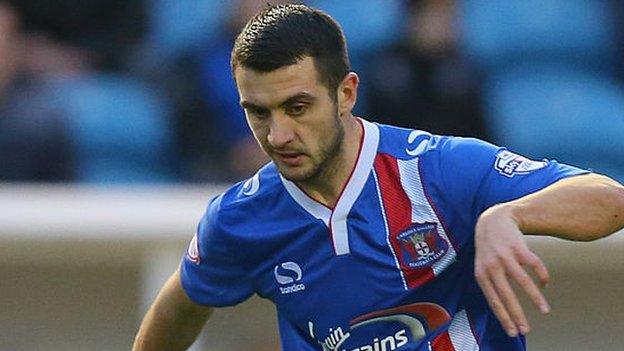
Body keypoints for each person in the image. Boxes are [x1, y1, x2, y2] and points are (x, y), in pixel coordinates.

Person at [132, 4, 624, 350]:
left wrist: (510, 214)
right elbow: (179, 306)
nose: (278, 134)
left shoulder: (436, 170)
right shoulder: (240, 220)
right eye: (258, 113)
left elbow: (610, 200)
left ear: (346, 93)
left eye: (297, 107)